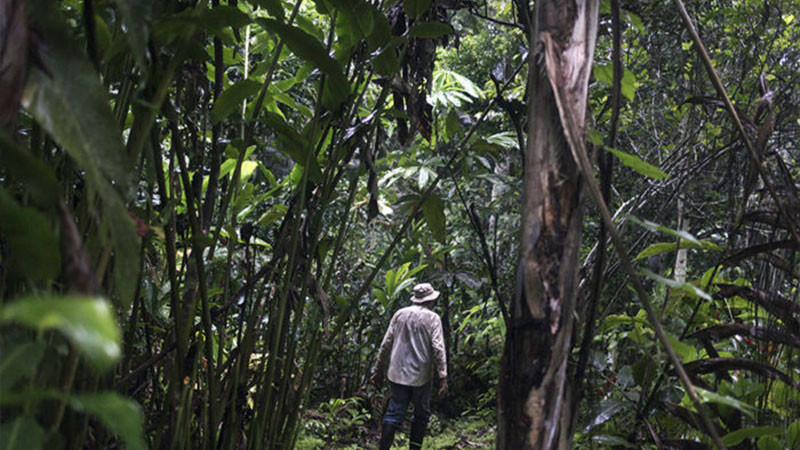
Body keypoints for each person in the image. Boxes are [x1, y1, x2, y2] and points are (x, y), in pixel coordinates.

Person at [370, 282, 448, 450]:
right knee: (421, 415)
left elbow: (385, 344)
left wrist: (378, 370)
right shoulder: (433, 318)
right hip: (421, 375)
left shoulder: (399, 314)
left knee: (393, 413)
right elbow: (438, 348)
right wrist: (443, 376)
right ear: (430, 300)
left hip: (397, 373)